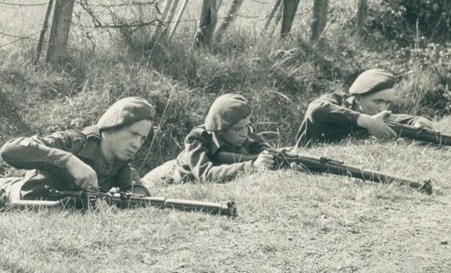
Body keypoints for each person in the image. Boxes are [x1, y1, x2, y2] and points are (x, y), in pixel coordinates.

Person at [0, 97, 155, 202]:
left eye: (143, 139)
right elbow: (10, 149)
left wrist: (121, 198)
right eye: (133, 134)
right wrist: (67, 161)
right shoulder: (75, 142)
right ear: (113, 126)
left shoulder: (120, 162)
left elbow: (139, 192)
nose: (137, 144)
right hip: (1, 195)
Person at [142, 94, 278, 185]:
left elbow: (267, 151)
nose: (244, 133)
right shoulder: (198, 138)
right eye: (237, 129)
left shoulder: (245, 132)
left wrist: (285, 159)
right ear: (221, 129)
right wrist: (252, 166)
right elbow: (205, 175)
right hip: (163, 178)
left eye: (247, 126)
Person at [294, 68, 434, 147]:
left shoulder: (378, 115)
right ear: (358, 98)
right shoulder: (335, 101)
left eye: (387, 102)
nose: (382, 108)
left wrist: (419, 125)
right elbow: (315, 109)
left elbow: (411, 119)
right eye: (377, 101)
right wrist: (366, 121)